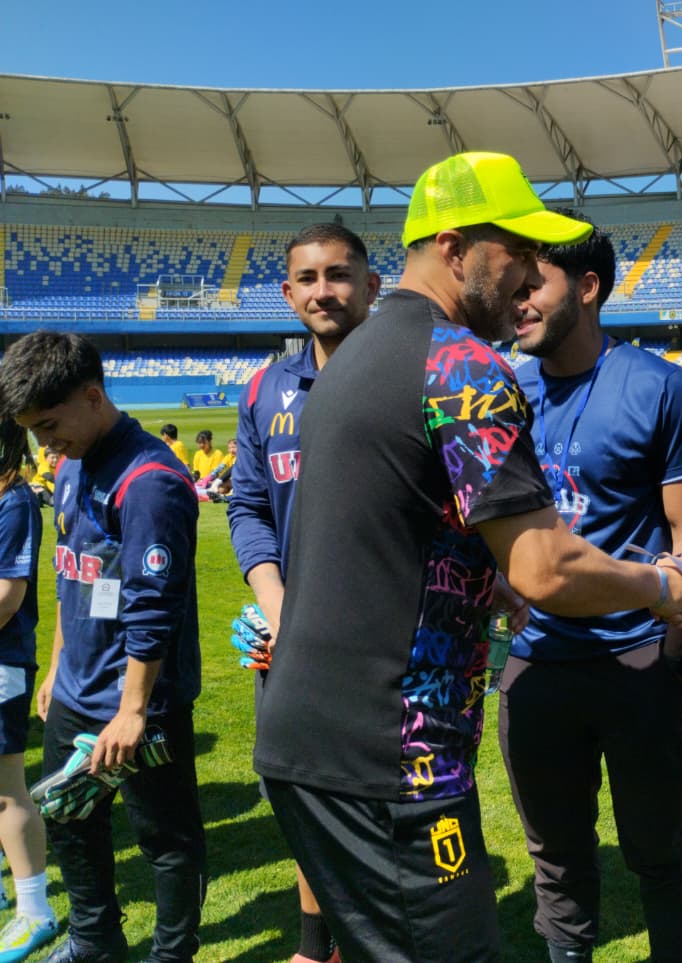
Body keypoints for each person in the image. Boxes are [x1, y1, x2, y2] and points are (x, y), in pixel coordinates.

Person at [252, 152, 682, 963]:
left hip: (309, 742)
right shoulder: (462, 364)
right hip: (395, 758)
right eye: (519, 253)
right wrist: (658, 582)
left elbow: (388, 523)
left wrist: (475, 578)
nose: (530, 275)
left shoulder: (352, 354)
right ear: (459, 248)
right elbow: (547, 569)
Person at [502, 223, 682, 962]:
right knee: (555, 856)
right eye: (513, 286)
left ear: (587, 288)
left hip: (635, 660)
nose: (516, 300)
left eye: (533, 286)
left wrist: (672, 661)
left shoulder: (662, 388)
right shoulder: (503, 391)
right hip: (534, 664)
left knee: (659, 850)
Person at [0, 331, 205, 963]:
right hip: (74, 691)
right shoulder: (69, 466)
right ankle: (94, 942)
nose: (42, 443)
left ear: (93, 397)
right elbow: (72, 574)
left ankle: (171, 954)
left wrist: (133, 710)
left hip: (138, 702)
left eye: (50, 425)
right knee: (68, 819)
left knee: (165, 839)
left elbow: (153, 609)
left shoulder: (150, 480)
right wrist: (58, 665)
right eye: (33, 431)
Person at [227, 222, 380, 963]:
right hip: (288, 644)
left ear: (372, 286)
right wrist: (275, 601)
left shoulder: (412, 376)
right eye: (309, 278)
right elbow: (248, 507)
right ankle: (314, 945)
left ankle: (367, 941)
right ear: (288, 294)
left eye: (340, 274)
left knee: (379, 809)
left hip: (384, 649)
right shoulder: (264, 390)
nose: (325, 290)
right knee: (303, 797)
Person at [0, 419, 58, 962]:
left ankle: (36, 909)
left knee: (6, 789)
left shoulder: (14, 500)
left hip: (2, 663)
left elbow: (7, 598)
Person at [204, 438, 236, 502]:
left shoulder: (240, 457)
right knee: (221, 488)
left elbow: (231, 470)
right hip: (232, 481)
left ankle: (226, 497)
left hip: (241, 481)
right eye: (229, 448)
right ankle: (216, 496)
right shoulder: (228, 456)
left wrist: (218, 481)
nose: (231, 450)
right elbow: (220, 468)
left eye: (234, 447)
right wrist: (209, 477)